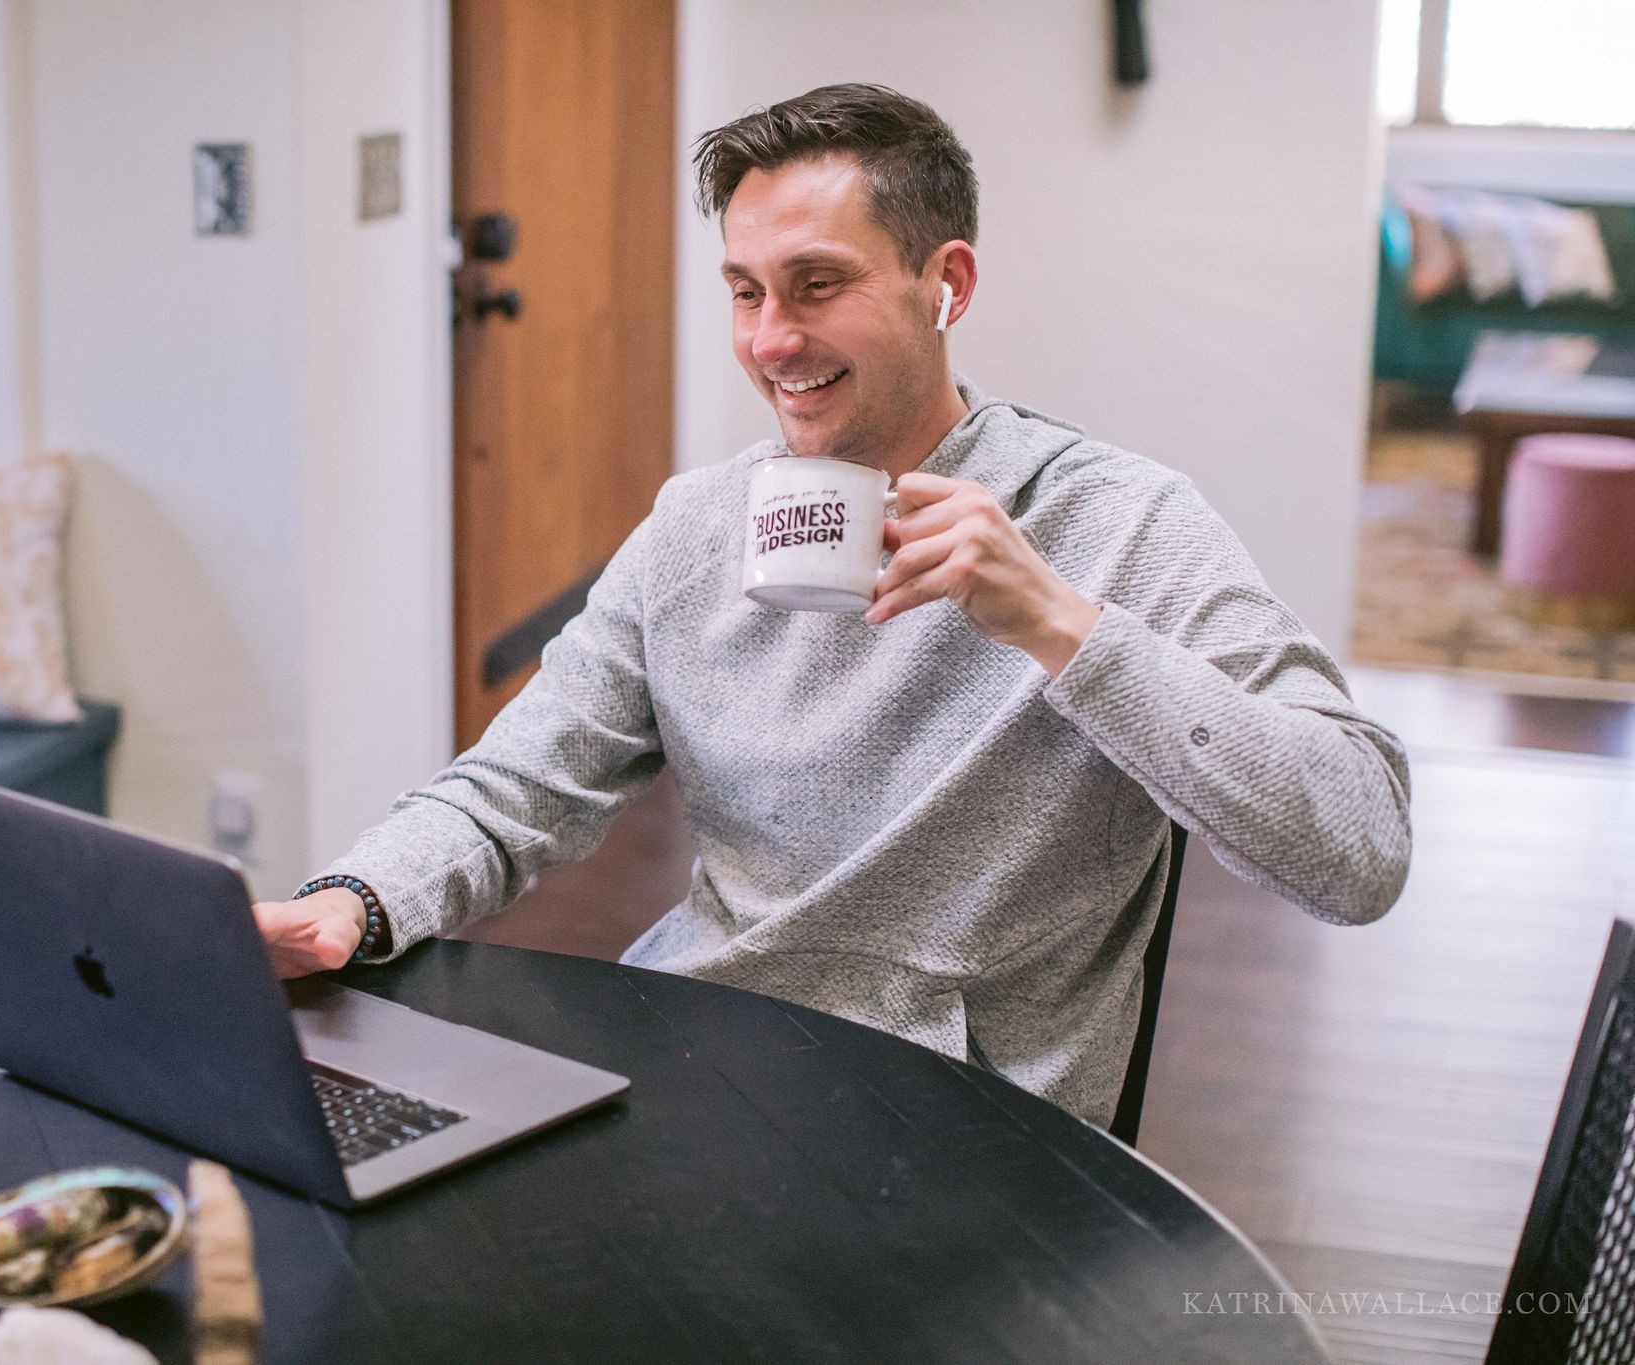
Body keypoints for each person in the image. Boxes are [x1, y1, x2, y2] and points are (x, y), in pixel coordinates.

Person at [253, 83, 1411, 1125]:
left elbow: (1357, 848)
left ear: (946, 285)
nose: (771, 341)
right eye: (744, 292)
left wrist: (1060, 627)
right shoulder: (695, 528)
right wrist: (355, 899)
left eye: (818, 285)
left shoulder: (1116, 521)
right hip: (695, 1060)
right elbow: (517, 786)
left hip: (968, 1131)